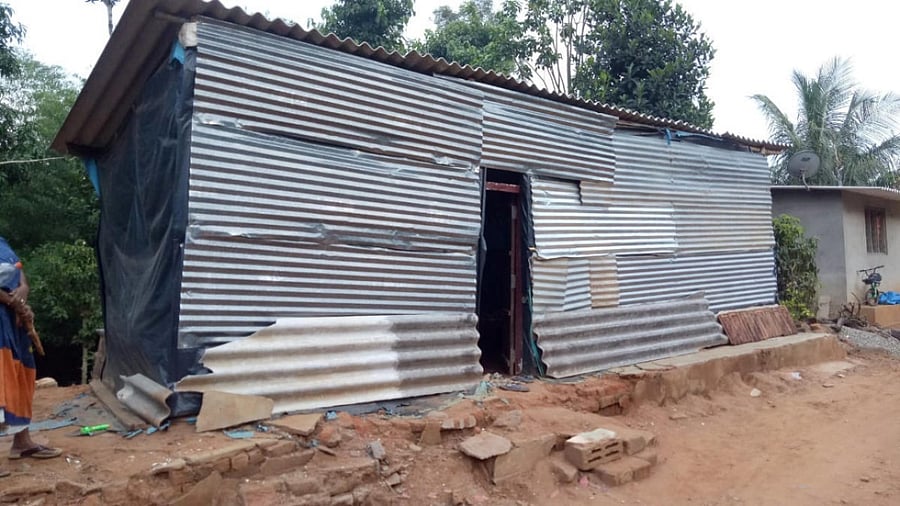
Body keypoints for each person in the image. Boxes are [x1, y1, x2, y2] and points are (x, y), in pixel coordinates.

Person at [0, 236, 61, 478]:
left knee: (21, 377)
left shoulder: (2, 242)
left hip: (13, 325)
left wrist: (22, 294)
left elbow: (20, 274)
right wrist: (12, 301)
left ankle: (22, 441)